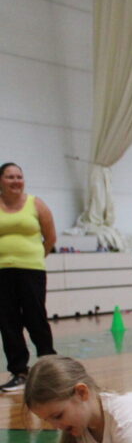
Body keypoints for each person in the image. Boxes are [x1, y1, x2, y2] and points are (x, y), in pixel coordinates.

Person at [0, 162, 57, 393]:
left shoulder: (36, 204)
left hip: (31, 269)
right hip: (2, 271)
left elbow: (50, 237)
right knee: (8, 322)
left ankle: (47, 367)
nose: (16, 181)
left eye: (19, 176)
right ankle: (19, 372)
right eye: (10, 177)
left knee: (35, 317)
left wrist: (34, 258)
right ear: (1, 181)